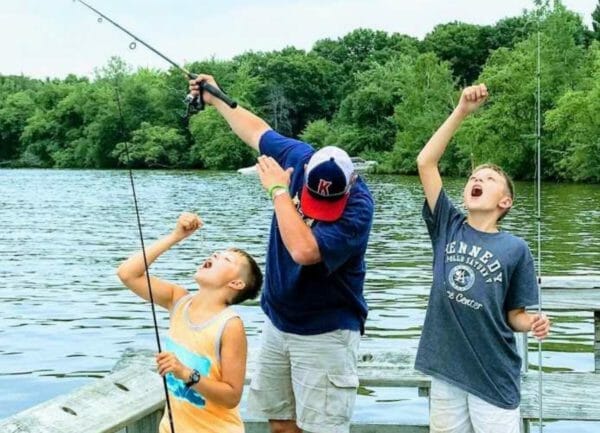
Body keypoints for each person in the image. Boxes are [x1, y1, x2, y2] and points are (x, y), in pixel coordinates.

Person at [189, 75, 374, 433]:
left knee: (323, 429)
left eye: (327, 204)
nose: (317, 209)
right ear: (304, 176)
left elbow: (305, 250)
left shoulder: (359, 210)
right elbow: (257, 129)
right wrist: (217, 99)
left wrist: (277, 190)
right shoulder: (298, 157)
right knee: (281, 422)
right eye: (312, 199)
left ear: (350, 185)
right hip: (278, 322)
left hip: (326, 330)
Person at [415, 83, 551, 433]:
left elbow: (515, 316)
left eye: (489, 179)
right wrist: (461, 110)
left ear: (505, 202)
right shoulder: (448, 224)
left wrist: (532, 323)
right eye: (475, 177)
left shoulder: (515, 249)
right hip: (447, 371)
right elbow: (425, 162)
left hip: (494, 374)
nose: (478, 179)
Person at [116, 212, 262, 433]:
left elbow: (232, 396)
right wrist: (176, 236)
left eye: (227, 259)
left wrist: (185, 373)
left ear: (236, 283)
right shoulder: (178, 300)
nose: (216, 254)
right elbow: (127, 274)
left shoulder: (230, 325)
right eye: (218, 253)